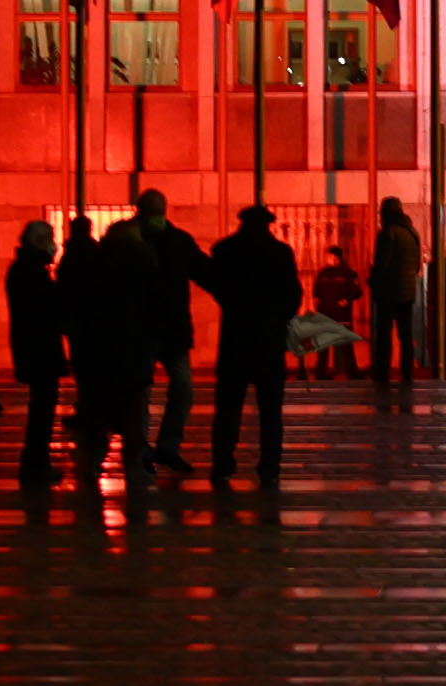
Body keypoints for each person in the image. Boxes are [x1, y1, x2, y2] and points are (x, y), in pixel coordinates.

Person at [205, 202, 301, 493]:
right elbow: (294, 295)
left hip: (235, 339)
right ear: (269, 224)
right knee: (271, 411)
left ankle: (223, 463)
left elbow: (217, 287)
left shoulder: (224, 251)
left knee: (228, 408)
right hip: (269, 343)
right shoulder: (281, 254)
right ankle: (269, 467)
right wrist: (278, 318)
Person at [62, 216, 155, 490]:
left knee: (97, 411)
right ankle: (134, 466)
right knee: (132, 412)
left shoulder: (94, 263)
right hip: (133, 349)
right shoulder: (144, 264)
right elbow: (153, 307)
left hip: (99, 349)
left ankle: (93, 461)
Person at [132, 189, 208, 470]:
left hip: (147, 330)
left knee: (145, 392)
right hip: (168, 329)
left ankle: (146, 448)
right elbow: (206, 273)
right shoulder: (178, 241)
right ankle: (163, 446)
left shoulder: (134, 241)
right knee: (180, 389)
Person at [5, 218, 66, 492]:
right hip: (39, 348)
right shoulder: (32, 272)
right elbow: (48, 308)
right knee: (42, 408)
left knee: (41, 406)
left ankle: (36, 462)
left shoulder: (25, 269)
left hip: (33, 347)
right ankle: (36, 463)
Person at [366, 198, 423, 384]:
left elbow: (382, 265)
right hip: (408, 293)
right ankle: (407, 373)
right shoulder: (412, 232)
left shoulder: (388, 233)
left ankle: (383, 372)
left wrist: (372, 280)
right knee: (406, 335)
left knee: (384, 334)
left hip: (389, 292)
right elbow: (416, 266)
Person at [307, 236, 368, 381]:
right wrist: (316, 300)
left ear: (336, 257)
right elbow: (316, 289)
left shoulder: (348, 273)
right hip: (325, 313)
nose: (327, 259)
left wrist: (346, 300)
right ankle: (321, 373)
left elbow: (357, 291)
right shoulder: (323, 273)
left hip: (341, 315)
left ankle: (351, 373)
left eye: (328, 256)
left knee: (345, 346)